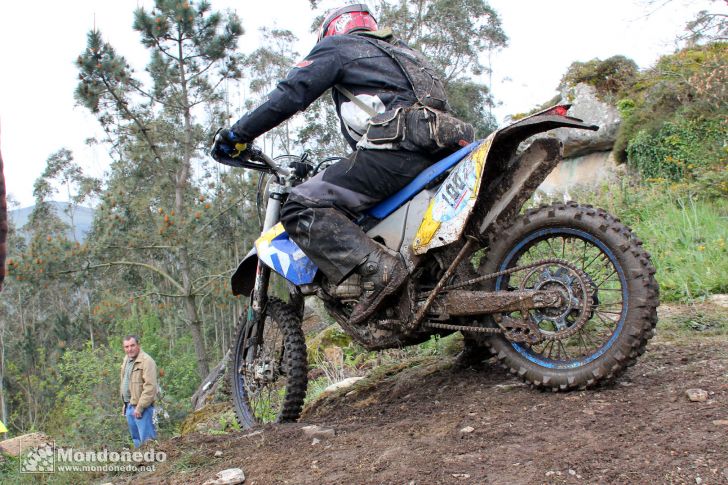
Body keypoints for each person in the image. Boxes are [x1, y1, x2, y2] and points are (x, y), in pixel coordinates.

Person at [211, 4, 472, 324]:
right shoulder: (406, 54)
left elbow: (292, 92)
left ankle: (381, 270)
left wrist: (238, 135)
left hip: (396, 153)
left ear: (332, 31)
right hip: (440, 152)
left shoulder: (338, 48)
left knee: (300, 205)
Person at [120, 335, 158, 448]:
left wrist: (140, 407)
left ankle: (153, 464)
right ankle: (141, 464)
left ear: (138, 345)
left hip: (142, 408)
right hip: (129, 406)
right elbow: (125, 382)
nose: (129, 349)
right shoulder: (126, 360)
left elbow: (150, 387)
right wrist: (124, 403)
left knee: (147, 442)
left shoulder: (147, 361)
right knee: (136, 440)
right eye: (126, 347)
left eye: (132, 345)